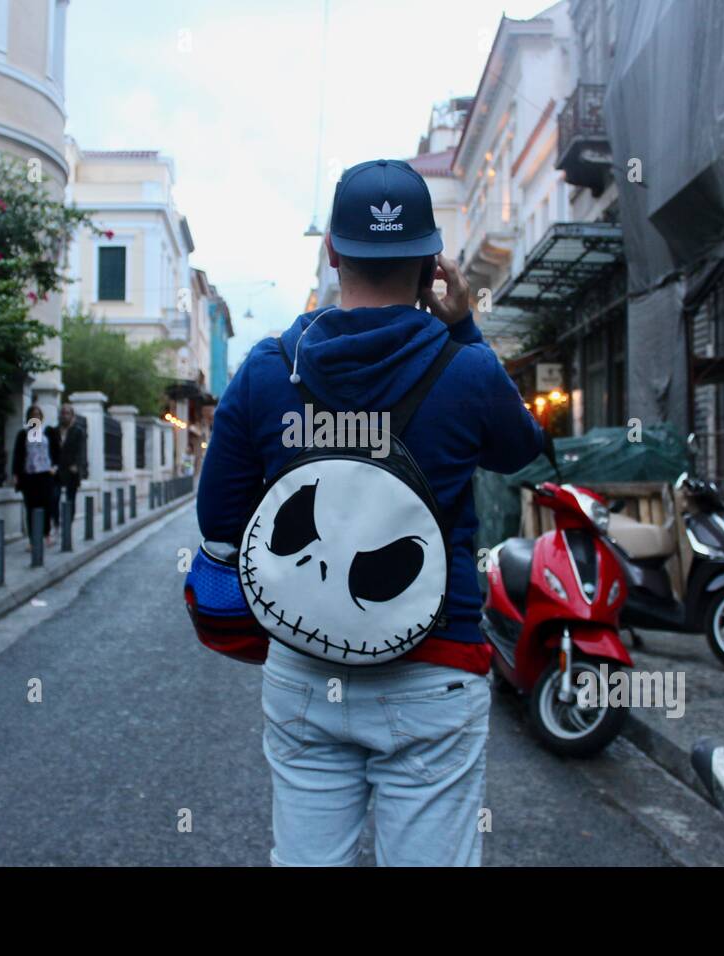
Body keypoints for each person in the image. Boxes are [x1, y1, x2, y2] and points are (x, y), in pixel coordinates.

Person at [196, 159, 544, 866]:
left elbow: (220, 523)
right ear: (429, 264)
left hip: (304, 663)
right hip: (435, 669)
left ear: (332, 252)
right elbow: (522, 454)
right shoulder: (466, 368)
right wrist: (467, 327)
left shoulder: (268, 369)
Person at [12, 404, 60, 547]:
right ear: (29, 417)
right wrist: (15, 474)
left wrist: (54, 468)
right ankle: (32, 540)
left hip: (45, 475)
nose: (36, 417)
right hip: (29, 476)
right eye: (33, 415)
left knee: (46, 505)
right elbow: (18, 455)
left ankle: (46, 535)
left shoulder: (48, 433)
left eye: (38, 415)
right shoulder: (23, 434)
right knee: (30, 507)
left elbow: (57, 452)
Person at [50, 403, 88, 529]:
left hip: (71, 470)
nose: (64, 416)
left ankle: (68, 524)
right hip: (57, 470)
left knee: (70, 499)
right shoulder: (53, 431)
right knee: (54, 497)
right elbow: (50, 450)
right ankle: (55, 522)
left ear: (72, 416)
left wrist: (77, 465)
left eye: (67, 413)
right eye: (63, 413)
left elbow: (82, 450)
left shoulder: (78, 432)